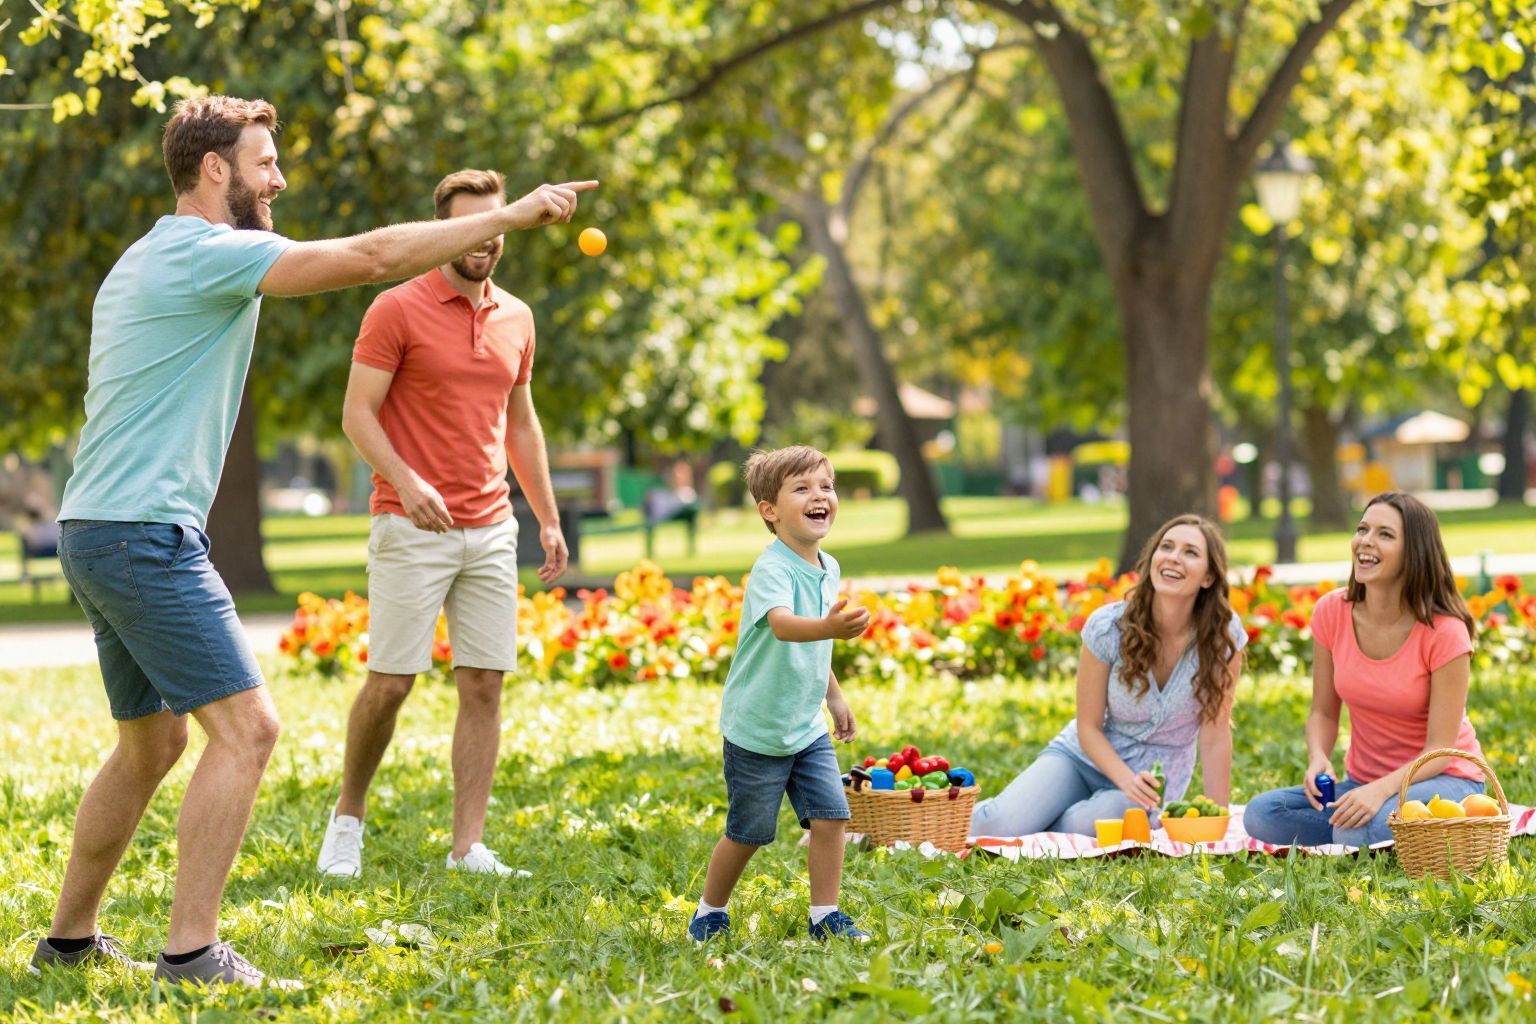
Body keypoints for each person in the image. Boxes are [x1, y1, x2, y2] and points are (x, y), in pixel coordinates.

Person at [33, 94, 594, 989]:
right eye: (265, 163)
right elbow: (370, 259)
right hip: (142, 534)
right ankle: (191, 954)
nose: (280, 180)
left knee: (153, 744)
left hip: (97, 526)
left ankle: (67, 940)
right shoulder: (206, 252)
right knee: (249, 731)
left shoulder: (146, 256)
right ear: (214, 169)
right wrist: (510, 215)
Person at [315, 169, 566, 881]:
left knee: (484, 684)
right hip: (409, 524)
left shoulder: (517, 317)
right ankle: (347, 820)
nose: (484, 238)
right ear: (442, 228)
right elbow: (356, 414)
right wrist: (406, 479)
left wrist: (547, 517)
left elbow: (520, 422)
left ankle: (467, 847)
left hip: (491, 526)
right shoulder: (396, 308)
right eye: (469, 224)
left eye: (497, 223)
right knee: (392, 683)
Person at [687, 446, 871, 943]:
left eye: (826, 486)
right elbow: (785, 626)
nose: (820, 496)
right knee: (748, 833)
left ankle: (824, 915)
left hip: (806, 727)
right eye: (802, 488)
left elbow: (814, 647)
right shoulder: (773, 569)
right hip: (759, 729)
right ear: (769, 510)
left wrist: (834, 696)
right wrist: (829, 626)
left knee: (831, 818)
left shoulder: (828, 566)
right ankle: (709, 911)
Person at [970, 515, 1246, 837]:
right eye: (1166, 547)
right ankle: (937, 823)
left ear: (1209, 577)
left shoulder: (1223, 637)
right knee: (998, 824)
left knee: (1107, 819)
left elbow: (1215, 733)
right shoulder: (1109, 627)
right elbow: (1088, 726)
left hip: (1145, 788)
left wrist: (1217, 821)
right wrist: (1124, 778)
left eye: (1190, 552)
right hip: (1080, 760)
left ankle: (1048, 825)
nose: (1173, 557)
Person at [1242, 492, 1484, 847]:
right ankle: (1370, 830)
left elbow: (1441, 749)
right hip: (1363, 784)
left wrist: (1381, 791)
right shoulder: (1332, 612)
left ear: (1414, 552)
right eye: (1362, 529)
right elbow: (1323, 712)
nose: (1366, 541)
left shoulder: (1445, 631)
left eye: (1385, 534)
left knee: (1354, 831)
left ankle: (1376, 830)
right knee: (1263, 813)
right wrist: (1318, 758)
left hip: (1445, 780)